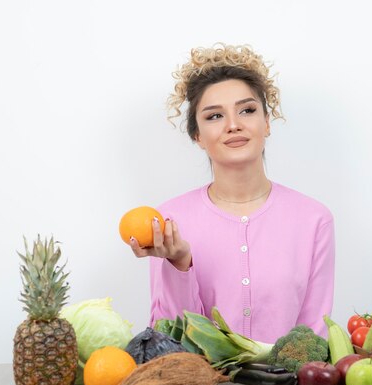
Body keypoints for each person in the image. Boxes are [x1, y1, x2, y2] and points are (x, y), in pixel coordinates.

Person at [129, 44, 335, 343]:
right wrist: (179, 264)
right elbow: (167, 338)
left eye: (247, 110)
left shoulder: (314, 220)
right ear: (197, 136)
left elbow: (314, 336)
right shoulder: (169, 220)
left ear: (266, 123)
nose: (233, 125)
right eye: (214, 116)